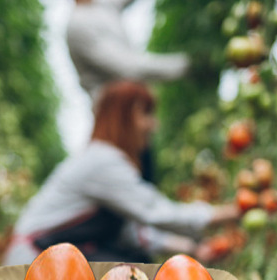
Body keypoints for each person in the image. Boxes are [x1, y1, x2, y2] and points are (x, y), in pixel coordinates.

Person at [2, 81, 239, 266]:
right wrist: (230, 212)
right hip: (33, 263)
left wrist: (192, 248)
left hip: (46, 258)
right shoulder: (102, 161)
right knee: (131, 275)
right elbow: (156, 212)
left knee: (135, 266)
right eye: (146, 114)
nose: (153, 125)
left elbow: (132, 234)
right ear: (124, 117)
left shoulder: (101, 160)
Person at [66, 0, 191, 183]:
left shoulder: (102, 7)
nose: (155, 125)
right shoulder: (79, 25)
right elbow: (128, 68)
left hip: (132, 119)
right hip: (114, 122)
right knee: (124, 181)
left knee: (137, 179)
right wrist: (186, 66)